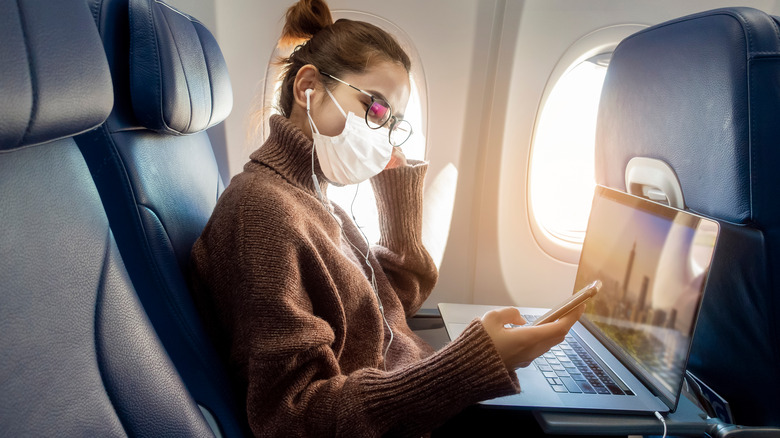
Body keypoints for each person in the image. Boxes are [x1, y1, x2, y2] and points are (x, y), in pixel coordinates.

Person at [188, 0, 583, 436]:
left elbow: (386, 305)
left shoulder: (317, 199)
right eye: (374, 108)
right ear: (308, 88)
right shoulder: (261, 213)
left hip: (404, 399)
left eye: (392, 121)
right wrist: (471, 363)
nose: (382, 132)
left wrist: (397, 190)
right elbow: (293, 417)